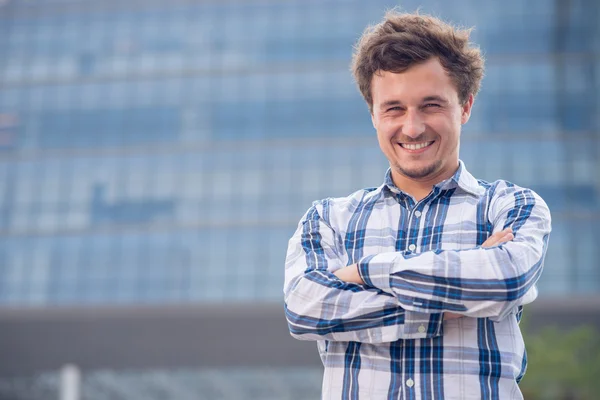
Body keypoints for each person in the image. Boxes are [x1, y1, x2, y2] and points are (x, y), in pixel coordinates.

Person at [283, 10, 552, 400]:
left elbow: (506, 277)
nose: (412, 127)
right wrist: (451, 302)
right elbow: (305, 308)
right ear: (373, 114)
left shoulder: (512, 206)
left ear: (465, 106)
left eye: (431, 105)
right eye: (394, 108)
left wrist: (362, 271)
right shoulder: (328, 220)